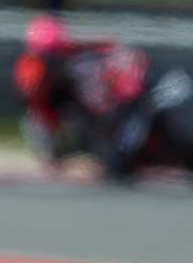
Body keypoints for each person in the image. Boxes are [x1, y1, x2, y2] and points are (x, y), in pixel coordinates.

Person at [14, 14, 152, 182]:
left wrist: (106, 45)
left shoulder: (65, 51)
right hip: (47, 111)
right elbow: (35, 103)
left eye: (54, 53)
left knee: (91, 119)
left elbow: (85, 46)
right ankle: (56, 158)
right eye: (47, 55)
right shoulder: (30, 72)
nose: (51, 59)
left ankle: (99, 153)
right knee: (39, 129)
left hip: (70, 102)